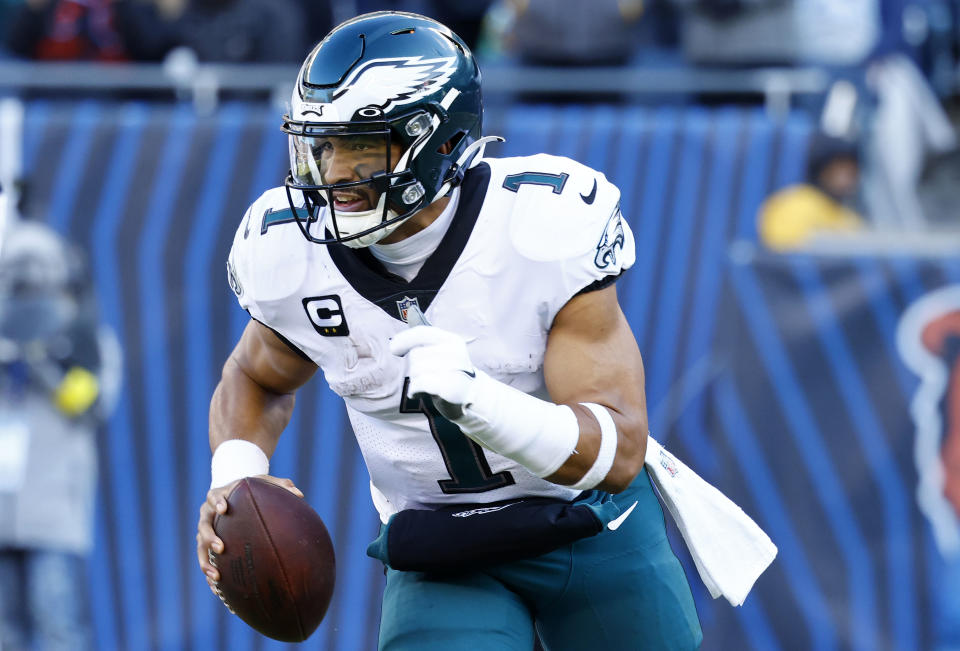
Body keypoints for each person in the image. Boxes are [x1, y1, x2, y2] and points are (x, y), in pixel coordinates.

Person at [195, 11, 702, 650]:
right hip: (443, 544)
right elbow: (256, 377)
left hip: (589, 525)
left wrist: (478, 401)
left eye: (359, 146)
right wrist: (237, 473)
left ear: (435, 140)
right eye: (320, 147)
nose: (333, 175)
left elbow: (619, 452)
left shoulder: (540, 227)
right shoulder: (291, 256)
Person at [0, 214, 107, 651]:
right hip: (3, 514)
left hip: (53, 516)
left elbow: (88, 404)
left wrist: (43, 360)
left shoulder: (85, 342)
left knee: (58, 627)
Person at [758, 131, 866, 251]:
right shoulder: (795, 204)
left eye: (851, 172)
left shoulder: (849, 217)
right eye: (839, 170)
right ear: (821, 169)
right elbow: (786, 254)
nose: (846, 179)